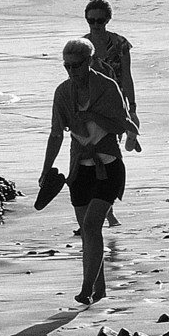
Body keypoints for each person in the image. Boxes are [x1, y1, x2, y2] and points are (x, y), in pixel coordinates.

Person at [39, 38, 134, 305]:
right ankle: (99, 289)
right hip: (79, 169)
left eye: (76, 65)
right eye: (66, 66)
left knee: (92, 226)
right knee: (89, 230)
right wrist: (46, 170)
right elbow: (56, 134)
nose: (71, 71)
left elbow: (120, 125)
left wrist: (91, 116)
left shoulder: (107, 87)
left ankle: (84, 289)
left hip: (109, 166)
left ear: (90, 62)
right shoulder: (62, 93)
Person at [85, 0, 141, 227]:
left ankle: (104, 210)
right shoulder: (82, 45)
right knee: (91, 156)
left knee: (109, 156)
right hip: (89, 107)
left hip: (114, 105)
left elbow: (126, 76)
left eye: (100, 20)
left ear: (108, 19)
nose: (96, 25)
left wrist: (133, 107)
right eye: (91, 21)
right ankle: (104, 213)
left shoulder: (119, 44)